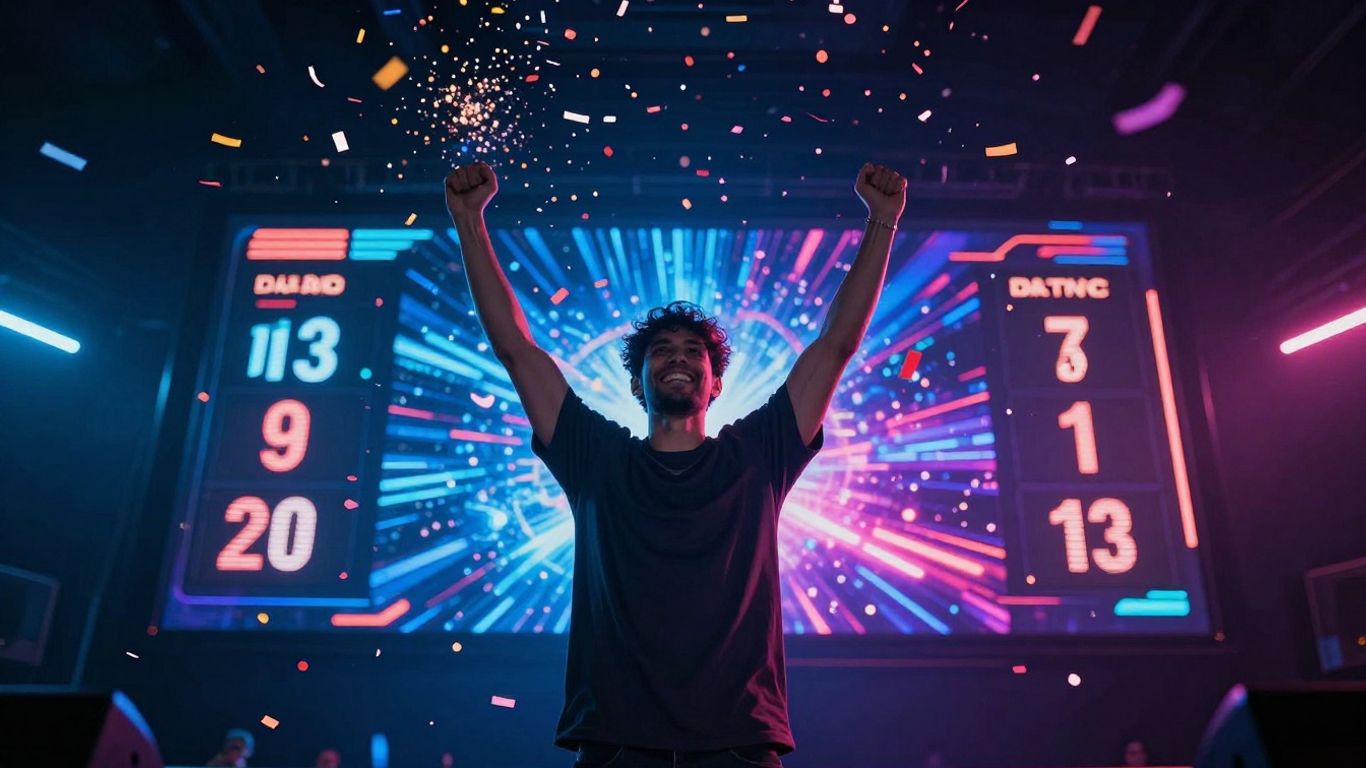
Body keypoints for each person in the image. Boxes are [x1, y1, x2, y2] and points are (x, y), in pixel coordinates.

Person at [445, 160, 906, 768]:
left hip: (738, 744)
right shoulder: (596, 457)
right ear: (640, 382)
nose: (677, 358)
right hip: (616, 743)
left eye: (693, 351)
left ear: (714, 384)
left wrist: (881, 222)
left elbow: (836, 345)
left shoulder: (759, 453)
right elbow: (515, 348)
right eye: (661, 351)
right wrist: (468, 221)